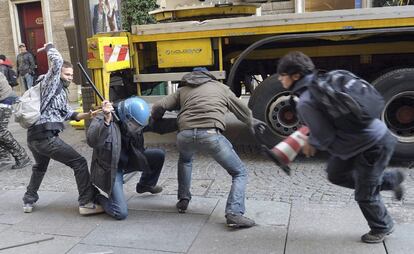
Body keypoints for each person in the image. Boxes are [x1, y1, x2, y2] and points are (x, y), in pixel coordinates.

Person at [276, 51, 405, 243]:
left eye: (282, 75)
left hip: (373, 145)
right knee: (335, 174)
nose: (279, 78)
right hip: (354, 144)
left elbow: (325, 136)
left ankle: (382, 226)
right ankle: (389, 180)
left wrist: (311, 143)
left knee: (364, 195)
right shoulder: (325, 80)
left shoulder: (306, 101)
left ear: (295, 76)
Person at [151, 67, 265, 228]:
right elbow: (242, 110)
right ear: (209, 77)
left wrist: (157, 122)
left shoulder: (183, 90)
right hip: (211, 134)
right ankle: (234, 213)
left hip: (184, 135)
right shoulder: (221, 88)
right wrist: (252, 122)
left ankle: (183, 199)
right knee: (239, 172)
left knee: (185, 160)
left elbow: (157, 107)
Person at [22, 43, 102, 216]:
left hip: (34, 138)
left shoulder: (59, 93)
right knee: (79, 162)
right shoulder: (50, 83)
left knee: (40, 167)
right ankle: (86, 203)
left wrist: (90, 114)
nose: (70, 78)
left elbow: (69, 114)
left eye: (71, 75)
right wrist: (49, 46)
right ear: (58, 74)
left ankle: (29, 199)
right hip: (46, 138)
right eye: (67, 74)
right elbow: (57, 61)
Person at [87, 97, 173, 220]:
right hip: (111, 168)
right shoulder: (103, 118)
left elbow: (157, 126)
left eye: (140, 126)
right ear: (127, 117)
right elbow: (92, 140)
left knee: (158, 155)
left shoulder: (136, 121)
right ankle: (95, 196)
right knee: (120, 212)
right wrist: (106, 122)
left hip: (130, 159)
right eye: (136, 125)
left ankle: (145, 185)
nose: (138, 129)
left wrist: (182, 123)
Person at [0, 72, 31, 169]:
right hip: (4, 98)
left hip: (5, 99)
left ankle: (22, 157)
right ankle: (3, 156)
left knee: (1, 131)